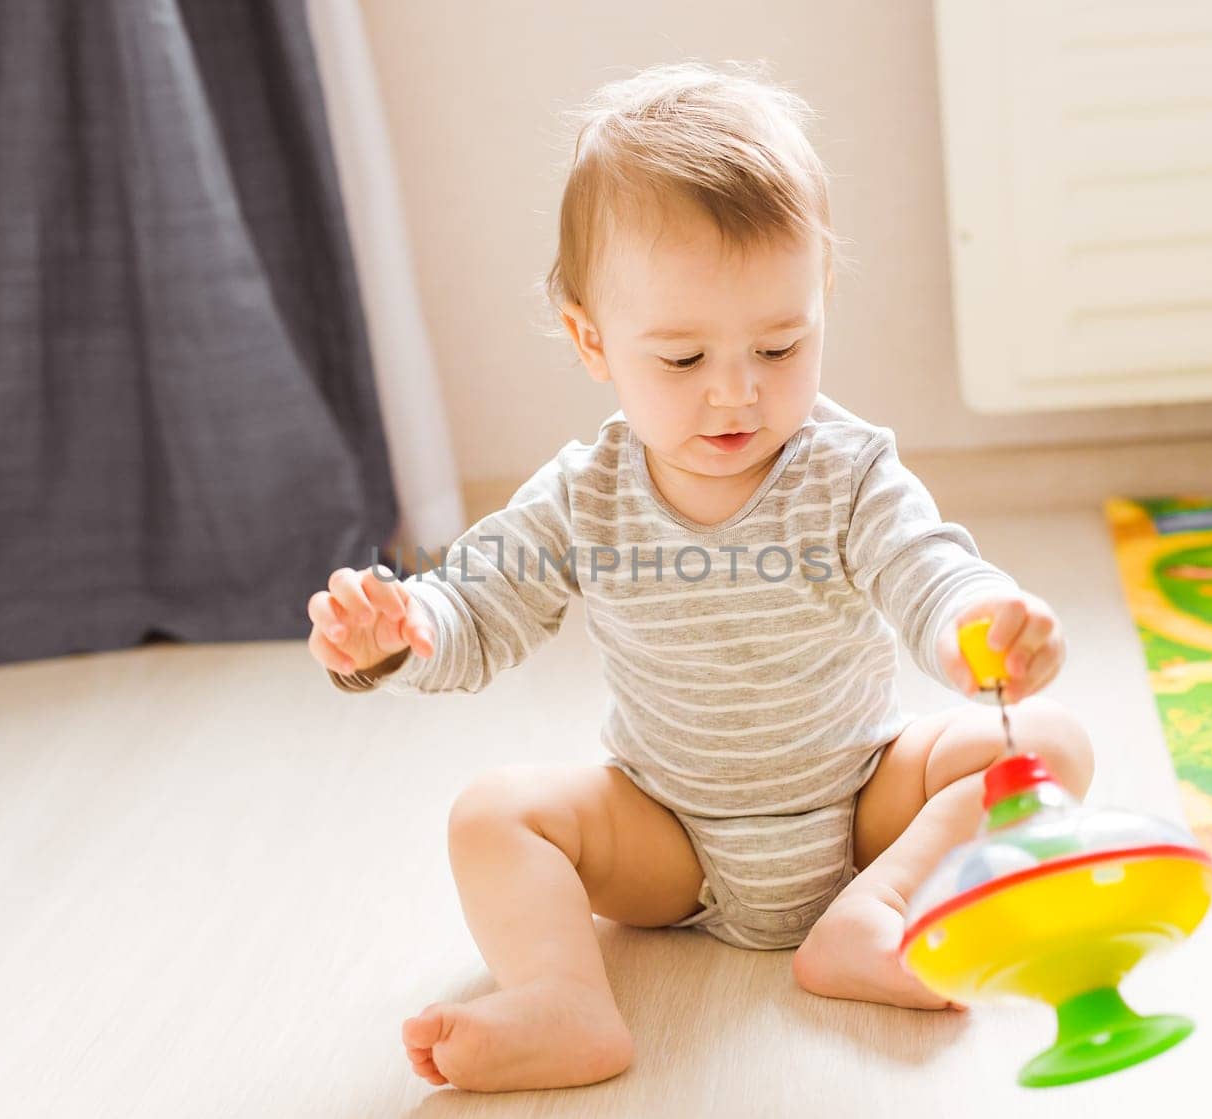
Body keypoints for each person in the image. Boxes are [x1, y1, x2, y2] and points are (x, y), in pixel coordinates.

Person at [306, 60, 1093, 1094]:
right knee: (490, 814)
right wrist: (401, 632)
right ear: (593, 341)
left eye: (779, 344)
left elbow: (926, 572)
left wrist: (981, 625)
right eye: (680, 361)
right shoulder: (583, 495)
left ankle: (878, 913)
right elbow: (478, 609)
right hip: (666, 836)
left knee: (1048, 742)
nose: (736, 393)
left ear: (822, 303)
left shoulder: (847, 470)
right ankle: (564, 1003)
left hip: (861, 808)